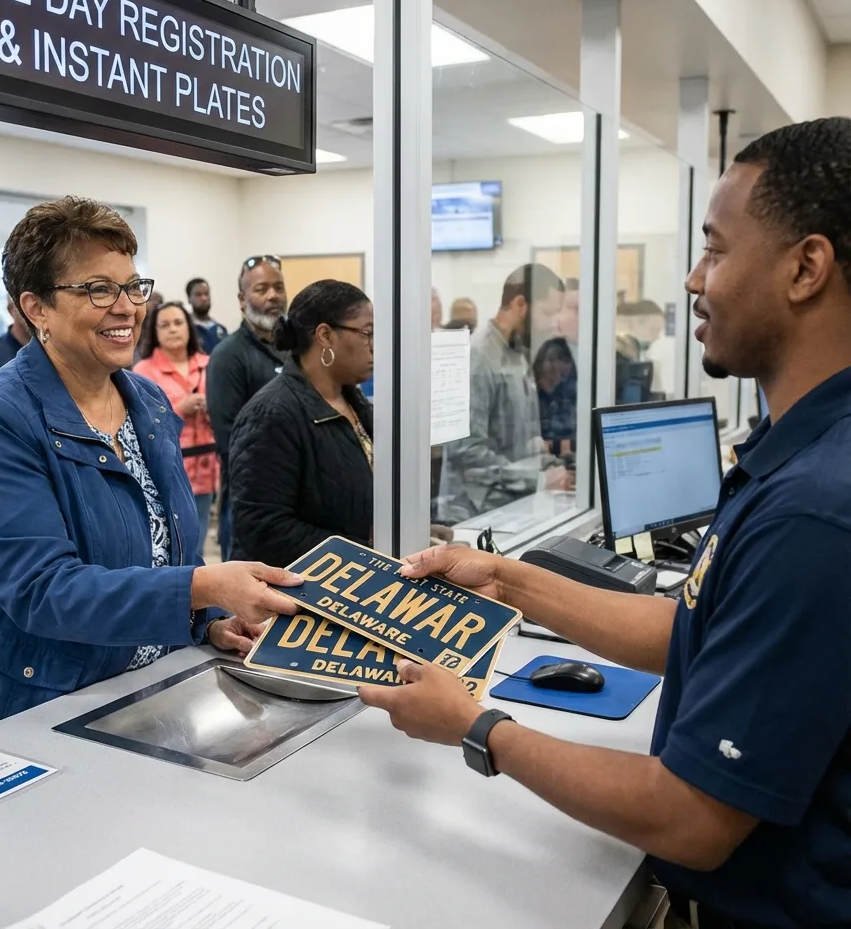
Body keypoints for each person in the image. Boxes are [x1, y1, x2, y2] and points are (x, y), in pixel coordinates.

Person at [361, 117, 851, 929]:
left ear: (806, 268)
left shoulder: (815, 510)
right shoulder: (801, 452)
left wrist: (476, 726)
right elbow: (693, 629)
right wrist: (509, 578)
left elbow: (689, 818)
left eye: (716, 251)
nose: (693, 279)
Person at [0, 197, 302, 753]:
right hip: (19, 710)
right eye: (98, 289)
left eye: (133, 286)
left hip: (134, 702)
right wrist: (204, 587)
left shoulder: (148, 402)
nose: (127, 307)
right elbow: (42, 591)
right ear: (36, 308)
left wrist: (208, 619)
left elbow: (166, 553)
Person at [229, 280, 373, 567]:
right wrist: (365, 551)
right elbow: (264, 530)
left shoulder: (353, 401)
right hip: (297, 588)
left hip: (353, 579)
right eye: (366, 333)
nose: (373, 346)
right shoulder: (270, 414)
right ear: (325, 336)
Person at [439, 263, 572, 523]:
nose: (552, 324)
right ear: (520, 304)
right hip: (472, 514)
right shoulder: (478, 356)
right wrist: (538, 479)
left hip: (511, 507)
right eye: (547, 313)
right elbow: (467, 450)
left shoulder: (518, 354)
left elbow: (523, 440)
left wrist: (550, 464)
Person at [206, 256, 288, 559]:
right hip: (250, 500)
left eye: (279, 287)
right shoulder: (228, 356)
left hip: (295, 502)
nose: (273, 296)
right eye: (262, 289)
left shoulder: (296, 349)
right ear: (242, 300)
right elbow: (230, 440)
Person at [133, 301, 218, 555]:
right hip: (166, 469)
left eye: (178, 323)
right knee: (170, 542)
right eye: (165, 325)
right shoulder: (143, 371)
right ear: (155, 332)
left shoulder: (209, 363)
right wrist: (180, 409)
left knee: (199, 535)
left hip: (206, 464)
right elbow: (141, 422)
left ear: (189, 328)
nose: (173, 329)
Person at [533, 335, 577, 456]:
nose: (556, 366)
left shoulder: (570, 395)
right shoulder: (530, 394)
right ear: (539, 364)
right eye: (550, 360)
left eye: (562, 360)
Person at [187, 278, 228, 355]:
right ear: (189, 298)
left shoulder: (220, 329)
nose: (204, 298)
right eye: (198, 295)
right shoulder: (187, 329)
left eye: (206, 294)